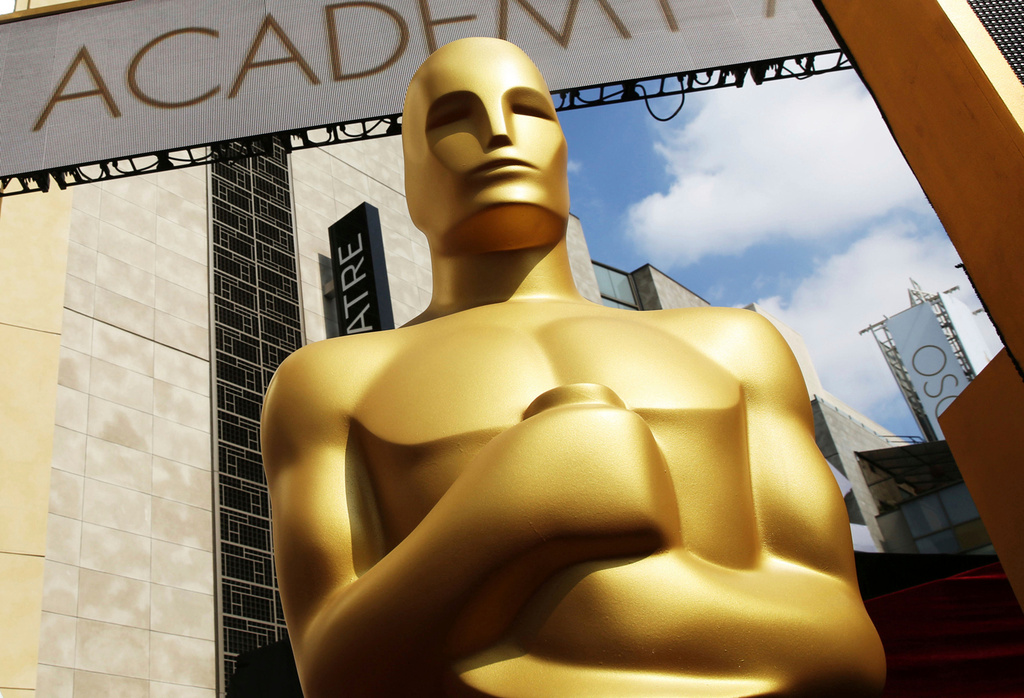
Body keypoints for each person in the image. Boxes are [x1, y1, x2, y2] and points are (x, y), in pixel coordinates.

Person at [260, 37, 886, 698]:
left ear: (563, 150)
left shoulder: (733, 347)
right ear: (410, 176)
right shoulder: (331, 382)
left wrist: (575, 610)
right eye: (453, 120)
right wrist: (509, 508)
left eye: (527, 110)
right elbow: (334, 672)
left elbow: (846, 646)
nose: (499, 134)